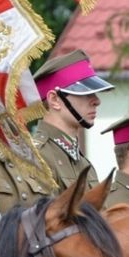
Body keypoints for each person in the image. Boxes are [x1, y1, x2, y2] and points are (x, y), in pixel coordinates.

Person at [31, 50, 115, 190]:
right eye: (85, 93)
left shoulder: (84, 163)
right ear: (55, 100)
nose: (97, 101)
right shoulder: (38, 157)